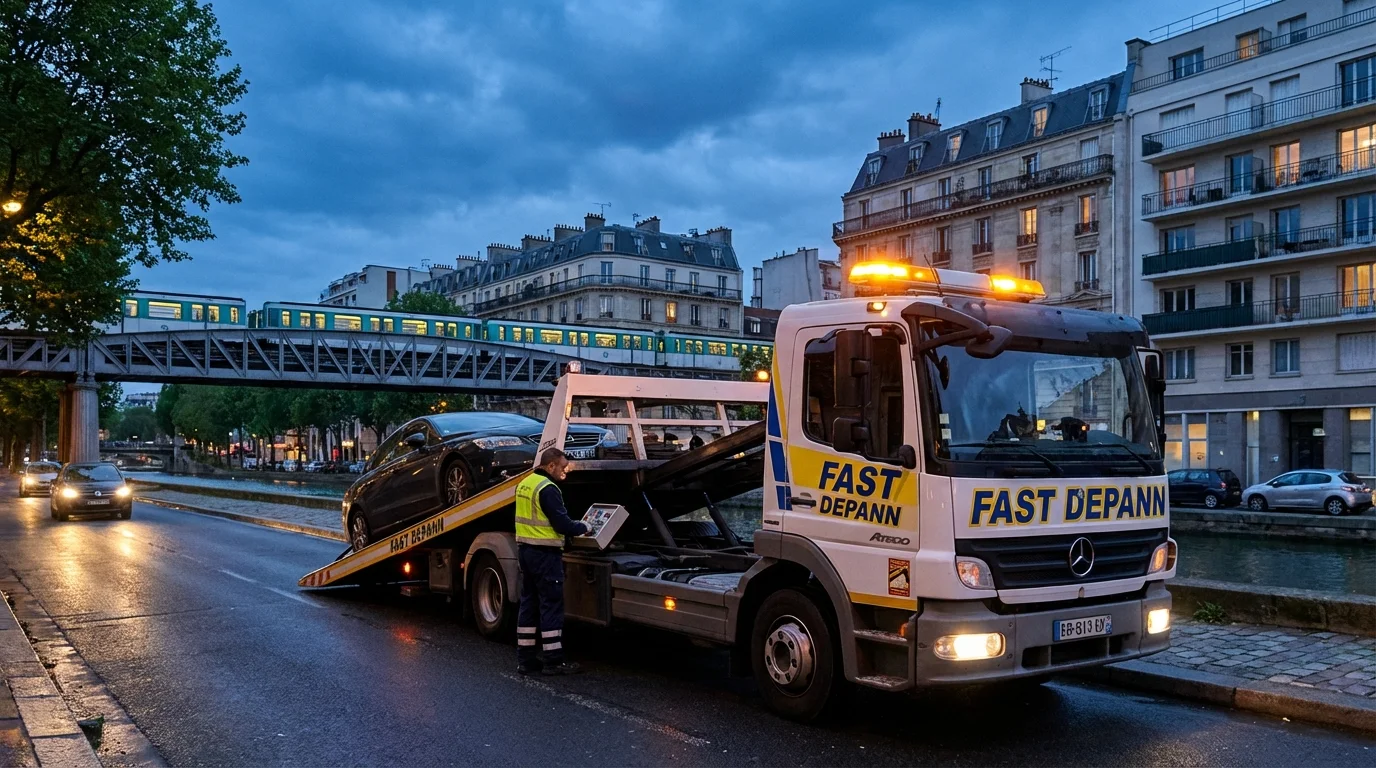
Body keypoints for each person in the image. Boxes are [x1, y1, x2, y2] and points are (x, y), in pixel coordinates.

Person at [514, 448, 590, 676]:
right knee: (551, 604)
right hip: (545, 554)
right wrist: (585, 527)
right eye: (562, 467)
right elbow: (561, 524)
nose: (565, 471)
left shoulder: (526, 483)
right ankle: (553, 660)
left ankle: (525, 659)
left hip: (526, 551)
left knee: (529, 603)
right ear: (550, 466)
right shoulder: (548, 489)